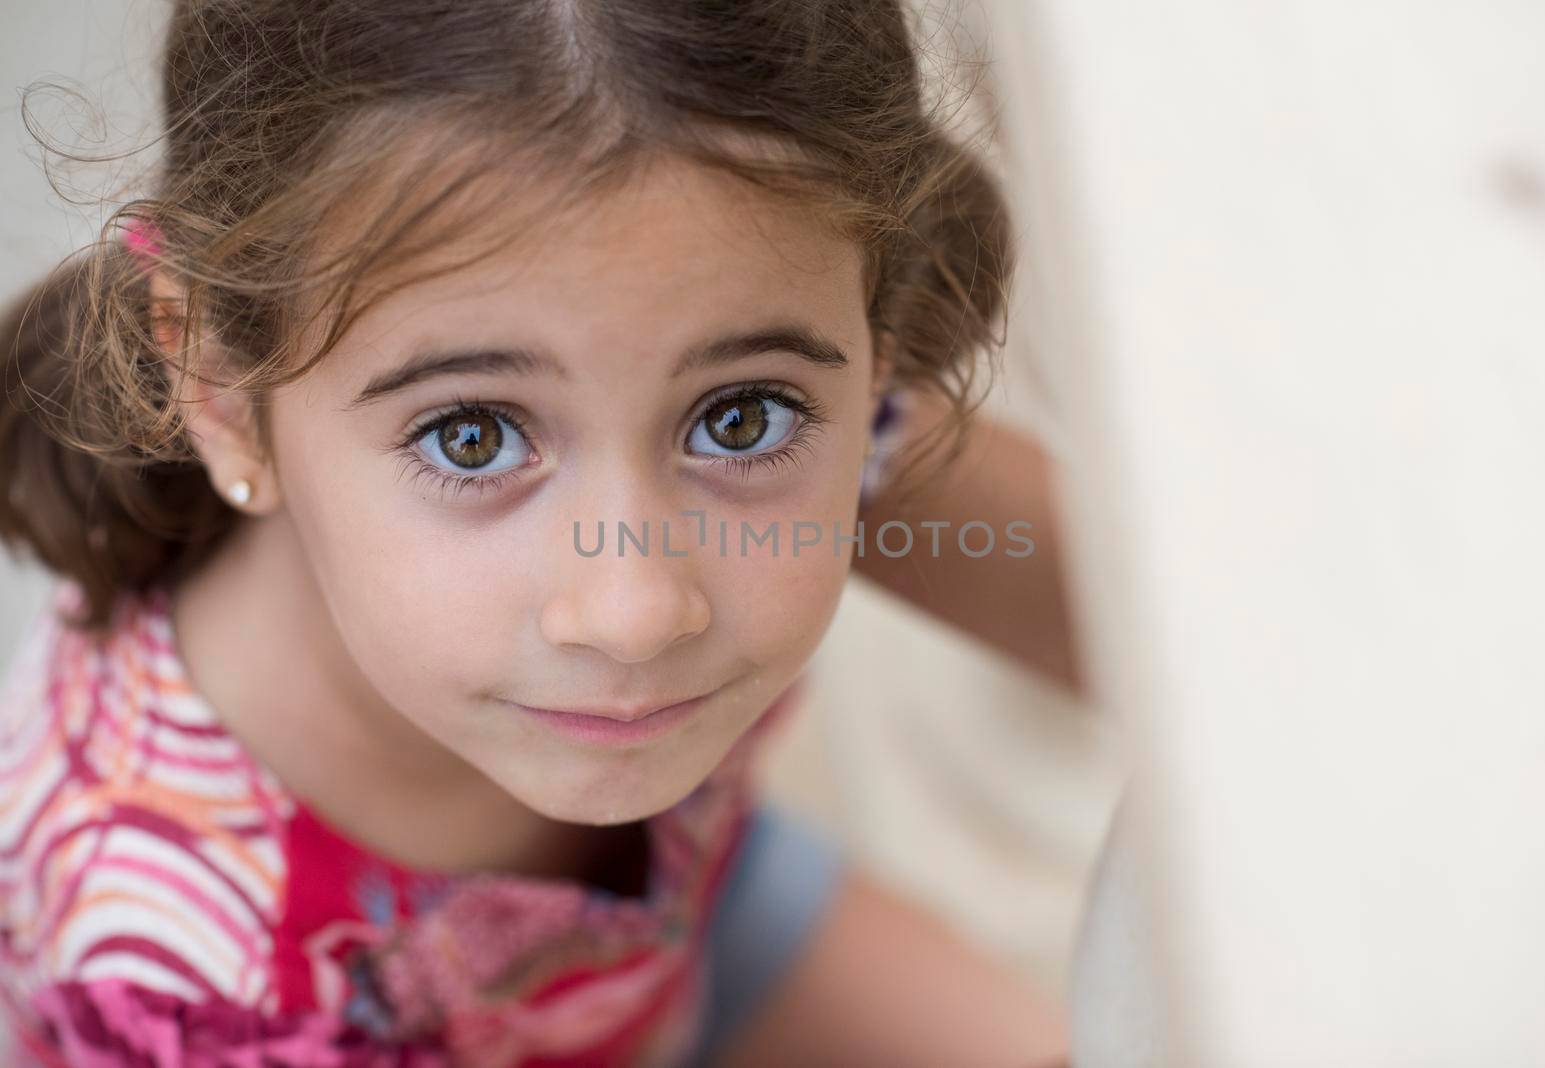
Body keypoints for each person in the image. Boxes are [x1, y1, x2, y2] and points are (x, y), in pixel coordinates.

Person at [0, 1, 1071, 1064]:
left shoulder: (810, 392)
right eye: (471, 437)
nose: (636, 612)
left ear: (876, 341)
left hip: (685, 920)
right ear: (222, 390)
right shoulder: (178, 973)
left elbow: (1176, 641)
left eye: (738, 419)